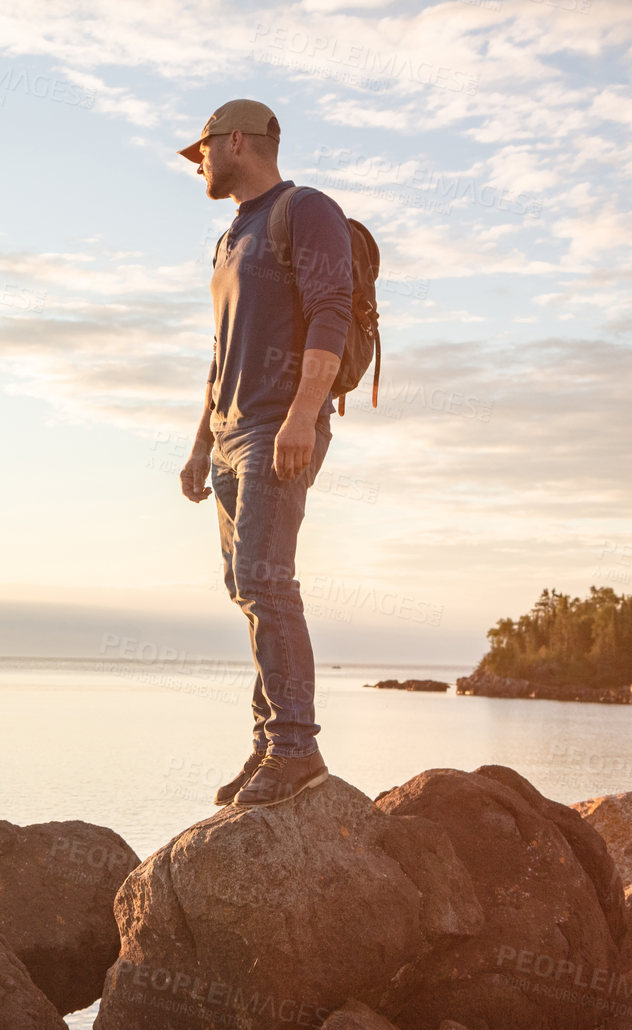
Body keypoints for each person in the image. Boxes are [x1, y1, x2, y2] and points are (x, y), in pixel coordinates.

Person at [176, 99, 354, 807]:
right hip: (227, 436)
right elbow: (221, 356)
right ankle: (268, 744)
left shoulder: (306, 211)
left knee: (265, 578)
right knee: (247, 588)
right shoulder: (228, 239)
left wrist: (302, 416)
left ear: (238, 142)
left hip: (279, 426)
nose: (201, 165)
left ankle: (296, 748)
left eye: (205, 151)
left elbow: (331, 312)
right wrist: (199, 445)